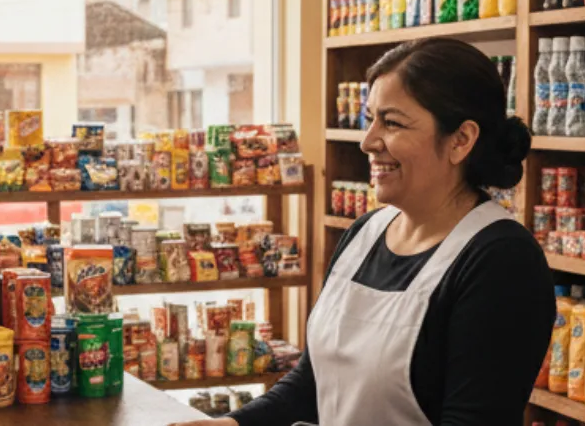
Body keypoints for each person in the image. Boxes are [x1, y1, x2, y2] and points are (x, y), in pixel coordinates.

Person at [176, 38, 554, 426]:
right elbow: (314, 383)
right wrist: (233, 424)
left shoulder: (501, 260)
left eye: (391, 123)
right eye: (370, 118)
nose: (367, 141)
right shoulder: (366, 232)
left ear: (461, 140)